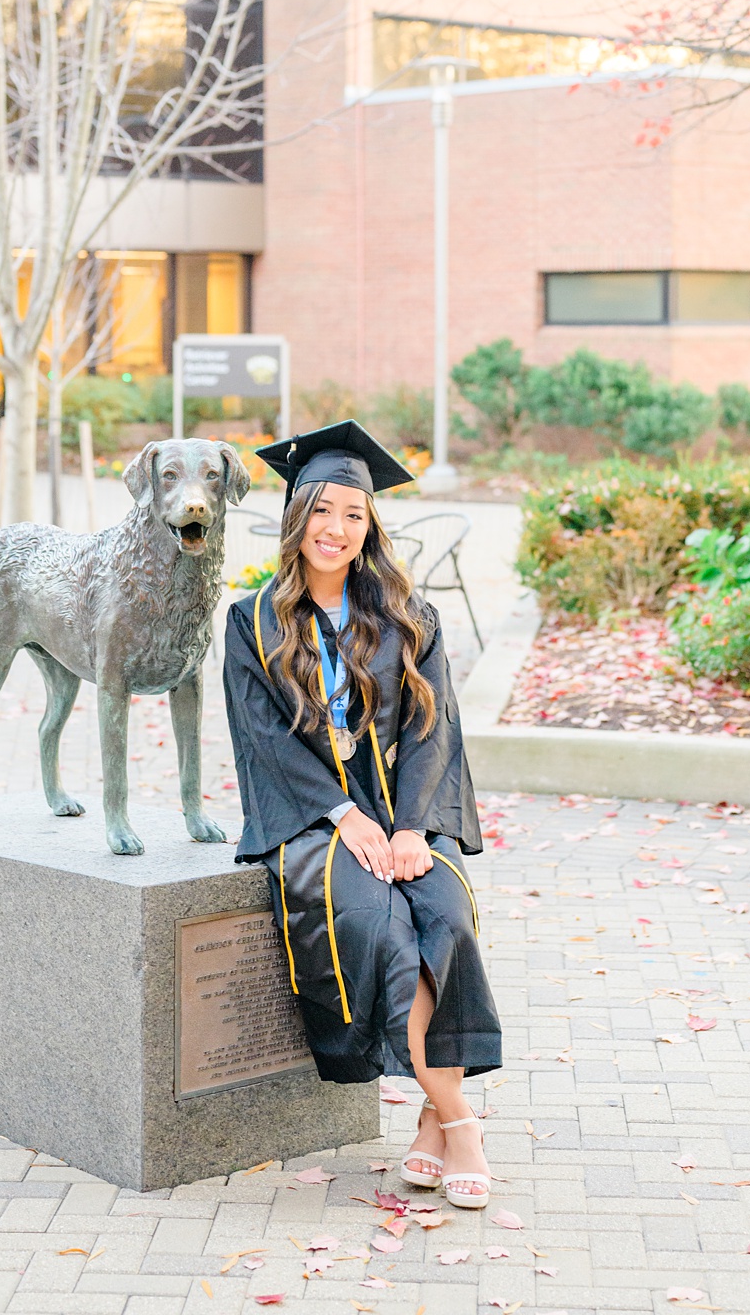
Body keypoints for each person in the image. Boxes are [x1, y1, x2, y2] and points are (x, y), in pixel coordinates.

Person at [223, 420, 501, 1207]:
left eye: (353, 513)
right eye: (321, 511)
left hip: (406, 813)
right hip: (315, 818)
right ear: (296, 517)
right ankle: (460, 1124)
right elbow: (263, 739)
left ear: (370, 524)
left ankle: (430, 1125)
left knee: (444, 919)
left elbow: (432, 729)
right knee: (379, 929)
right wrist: (346, 815)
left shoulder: (413, 617)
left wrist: (411, 826)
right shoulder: (253, 622)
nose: (335, 530)